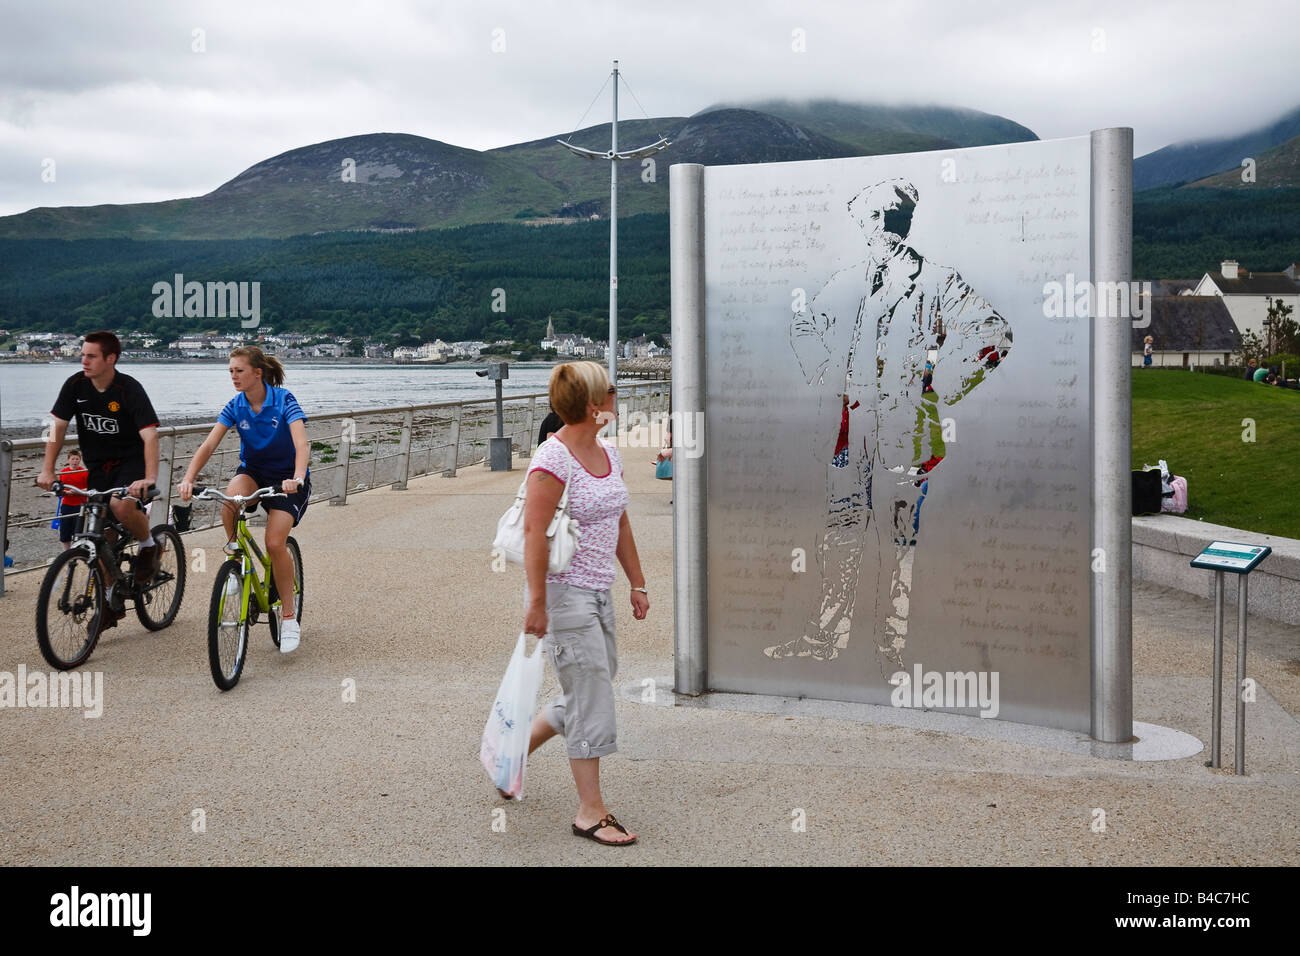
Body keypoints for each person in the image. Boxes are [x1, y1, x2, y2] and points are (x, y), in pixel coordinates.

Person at [768, 178, 1011, 672]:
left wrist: (935, 387)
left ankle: (892, 648)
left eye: (883, 219)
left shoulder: (940, 281)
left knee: (899, 538)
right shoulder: (848, 280)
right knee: (839, 531)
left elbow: (994, 334)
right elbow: (804, 325)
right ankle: (824, 638)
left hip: (906, 430)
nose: (875, 230)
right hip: (849, 429)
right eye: (869, 221)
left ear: (901, 221)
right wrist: (826, 373)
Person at [518, 361, 648, 846]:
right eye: (611, 390)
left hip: (600, 591)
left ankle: (514, 750)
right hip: (564, 595)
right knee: (592, 691)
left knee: (593, 680)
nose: (618, 395)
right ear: (593, 405)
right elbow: (534, 533)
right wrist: (536, 603)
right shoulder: (552, 460)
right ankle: (590, 811)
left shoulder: (609, 453)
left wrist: (637, 582)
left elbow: (622, 523)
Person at [177, 346, 311, 652]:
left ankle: (288, 617)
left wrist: (298, 476)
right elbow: (209, 444)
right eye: (230, 372)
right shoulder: (235, 405)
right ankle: (235, 556)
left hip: (288, 479)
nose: (234, 377)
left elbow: (301, 443)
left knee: (275, 543)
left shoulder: (283, 400)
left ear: (257, 373)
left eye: (239, 371)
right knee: (231, 497)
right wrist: (188, 478)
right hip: (253, 471)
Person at [36, 331, 162, 635]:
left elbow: (150, 435)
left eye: (91, 356)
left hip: (130, 462)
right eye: (82, 354)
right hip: (97, 466)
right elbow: (57, 427)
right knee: (95, 534)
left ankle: (149, 545)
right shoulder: (75, 385)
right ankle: (109, 602)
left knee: (120, 506)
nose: (84, 360)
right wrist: (48, 469)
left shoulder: (128, 388)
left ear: (110, 359)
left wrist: (149, 478)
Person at [55, 449, 89, 550]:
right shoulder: (63, 472)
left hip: (80, 505)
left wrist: (78, 491)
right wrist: (64, 492)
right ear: (68, 460)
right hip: (66, 504)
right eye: (73, 459)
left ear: (80, 460)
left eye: (77, 459)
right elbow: (60, 488)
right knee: (65, 532)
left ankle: (77, 552)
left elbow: (90, 488)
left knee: (78, 531)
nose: (75, 461)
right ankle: (67, 553)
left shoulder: (84, 472)